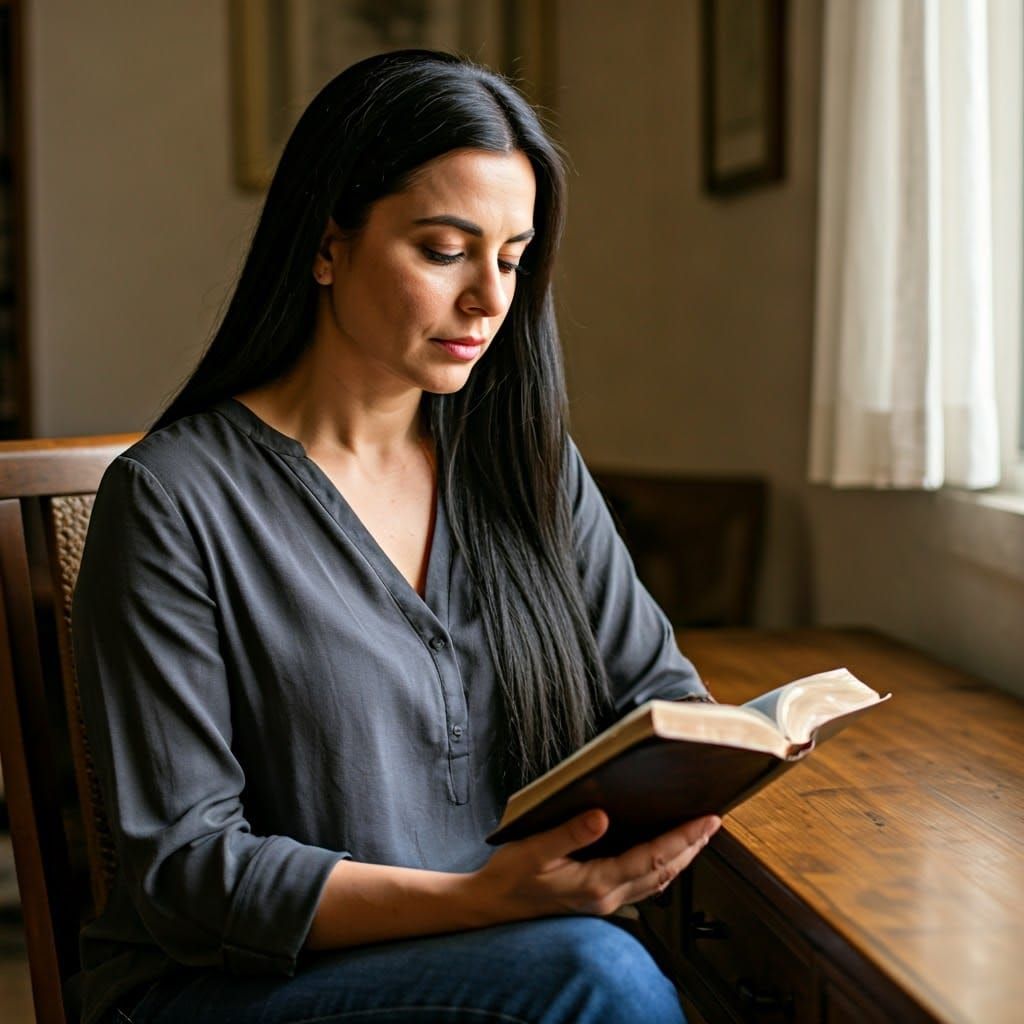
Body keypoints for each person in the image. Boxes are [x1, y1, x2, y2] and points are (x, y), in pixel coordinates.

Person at [71, 50, 720, 1024]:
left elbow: (659, 698)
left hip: (495, 952)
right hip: (235, 987)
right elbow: (189, 869)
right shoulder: (172, 499)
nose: (488, 299)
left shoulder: (525, 467)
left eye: (511, 258)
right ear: (327, 244)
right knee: (599, 979)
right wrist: (487, 897)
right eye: (445, 250)